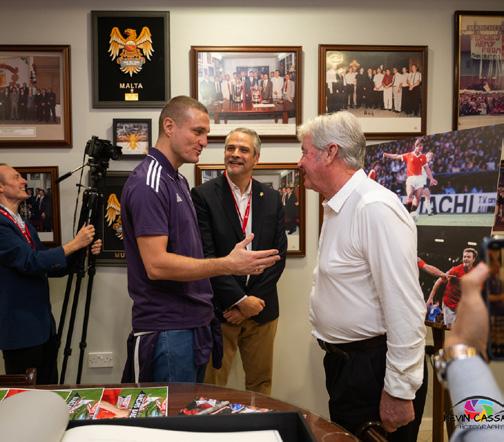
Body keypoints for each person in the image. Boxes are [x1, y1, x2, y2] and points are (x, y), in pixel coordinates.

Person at [120, 96, 280, 384]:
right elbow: (156, 265)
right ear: (169, 126)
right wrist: (227, 265)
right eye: (197, 132)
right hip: (168, 329)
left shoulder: (177, 180)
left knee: (193, 409)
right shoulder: (149, 182)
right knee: (172, 413)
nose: (205, 142)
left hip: (193, 324)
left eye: (206, 134)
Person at [297, 112, 426, 440]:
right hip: (348, 368)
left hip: (373, 370)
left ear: (330, 153)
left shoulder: (373, 208)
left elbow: (405, 307)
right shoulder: (339, 205)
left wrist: (399, 390)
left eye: (305, 152)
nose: (300, 162)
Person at [191, 127, 287, 394]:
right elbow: (206, 256)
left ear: (256, 158)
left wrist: (251, 304)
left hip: (262, 310)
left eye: (243, 149)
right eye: (230, 148)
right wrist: (239, 301)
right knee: (211, 388)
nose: (235, 154)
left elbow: (277, 257)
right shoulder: (203, 196)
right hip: (221, 311)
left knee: (261, 386)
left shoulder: (271, 198)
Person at [0, 163, 102, 384]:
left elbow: (47, 266)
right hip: (21, 332)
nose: (24, 181)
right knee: (26, 396)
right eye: (16, 177)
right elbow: (30, 262)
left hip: (43, 329)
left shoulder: (24, 224)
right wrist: (73, 244)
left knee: (49, 389)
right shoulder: (2, 225)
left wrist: (82, 252)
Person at [434, 262, 502, 441]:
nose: (466, 259)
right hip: (450, 308)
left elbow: (487, 430)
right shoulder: (456, 269)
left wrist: (461, 343)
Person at [383, 138, 437, 216]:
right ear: (416, 146)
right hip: (411, 178)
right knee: (410, 195)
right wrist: (386, 155)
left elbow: (427, 168)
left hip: (420, 180)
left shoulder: (423, 157)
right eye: (419, 146)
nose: (421, 147)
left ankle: (411, 213)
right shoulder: (408, 155)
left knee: (418, 199)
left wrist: (431, 178)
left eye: (422, 146)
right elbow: (397, 156)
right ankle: (408, 214)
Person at [426, 248, 478, 328]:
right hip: (449, 304)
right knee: (450, 330)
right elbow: (439, 281)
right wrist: (430, 298)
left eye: (468, 257)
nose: (466, 259)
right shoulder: (455, 270)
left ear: (473, 259)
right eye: (464, 257)